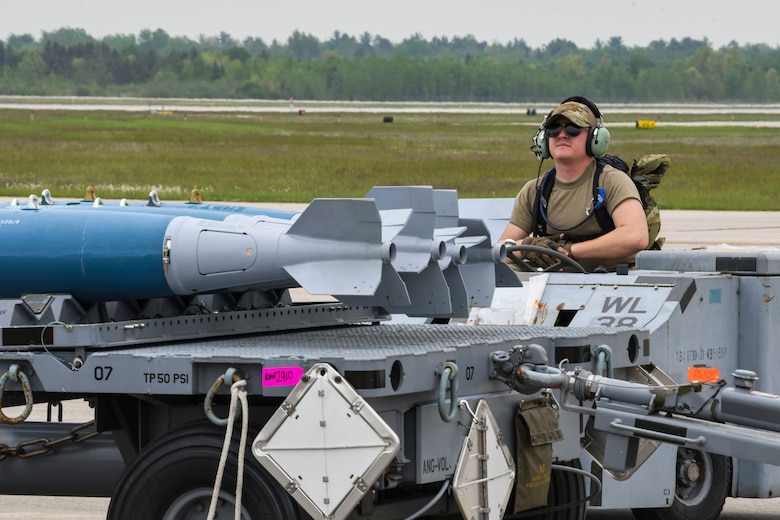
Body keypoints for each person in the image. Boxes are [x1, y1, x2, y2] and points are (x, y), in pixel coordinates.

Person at [499, 97, 648, 272]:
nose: (562, 134)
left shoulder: (612, 181)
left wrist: (568, 251)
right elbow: (500, 248)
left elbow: (636, 237)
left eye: (573, 128)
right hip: (551, 284)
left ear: (595, 138)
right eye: (554, 129)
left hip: (611, 284)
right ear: (544, 139)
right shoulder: (535, 190)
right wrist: (528, 247)